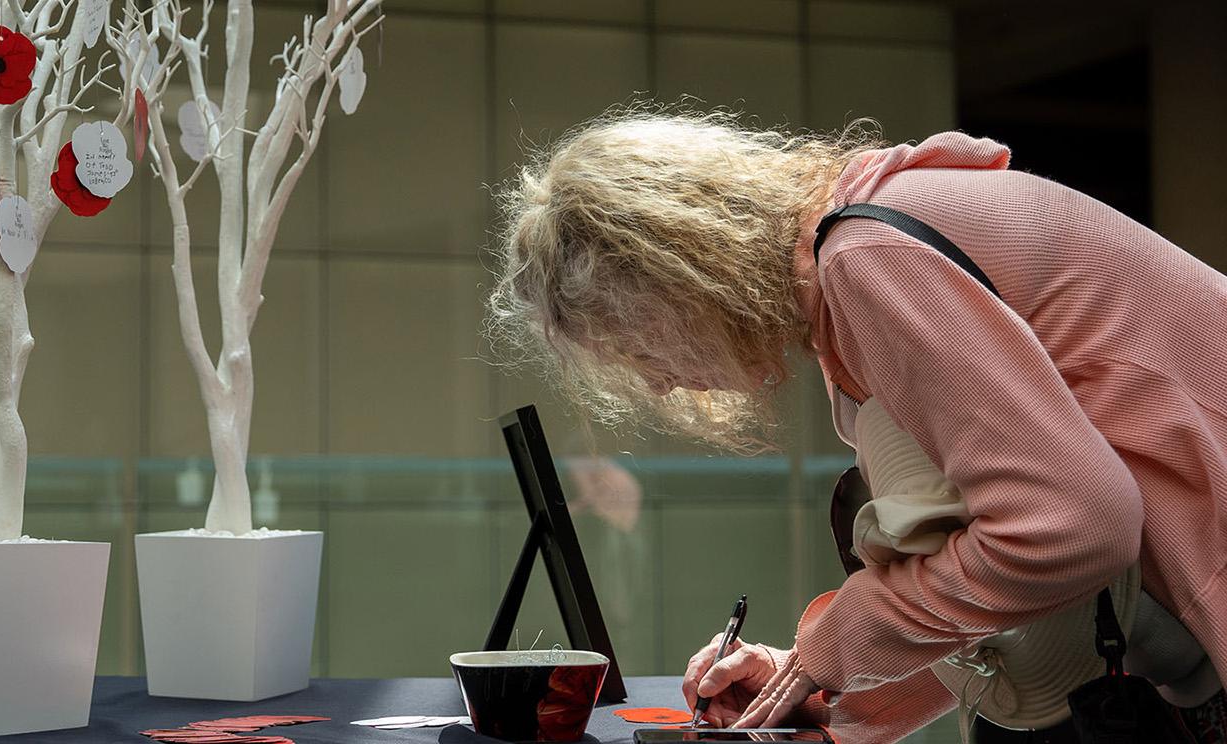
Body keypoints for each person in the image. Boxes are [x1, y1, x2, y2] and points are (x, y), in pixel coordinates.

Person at [484, 108, 1227, 742]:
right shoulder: (860, 258)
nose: (660, 379)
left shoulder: (867, 259)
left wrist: (841, 642)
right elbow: (1007, 579)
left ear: (675, 275)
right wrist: (812, 685)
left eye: (637, 343)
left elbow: (1075, 526)